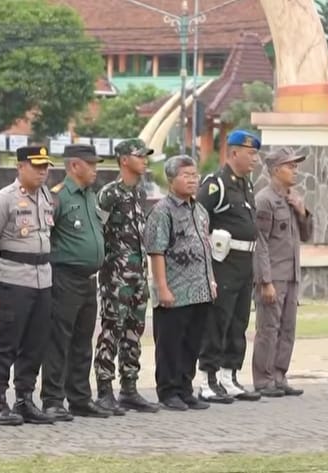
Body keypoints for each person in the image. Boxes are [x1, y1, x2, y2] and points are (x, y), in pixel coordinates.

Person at [0, 145, 56, 426]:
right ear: (20, 167)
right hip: (13, 280)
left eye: (45, 166)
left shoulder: (46, 196)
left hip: (43, 279)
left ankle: (24, 398)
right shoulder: (4, 199)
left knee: (35, 342)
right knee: (7, 343)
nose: (43, 171)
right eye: (37, 166)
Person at [40, 144, 109, 421]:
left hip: (89, 280)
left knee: (83, 341)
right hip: (65, 277)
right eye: (90, 164)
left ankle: (80, 397)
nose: (95, 169)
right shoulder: (58, 198)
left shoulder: (91, 196)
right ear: (74, 166)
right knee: (59, 340)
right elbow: (45, 236)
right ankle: (52, 399)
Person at [144, 155, 217, 411]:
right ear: (171, 179)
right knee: (170, 345)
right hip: (174, 291)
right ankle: (168, 392)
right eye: (186, 176)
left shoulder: (200, 210)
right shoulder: (162, 211)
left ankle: (185, 389)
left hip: (200, 290)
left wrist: (211, 281)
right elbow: (156, 251)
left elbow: (205, 247)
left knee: (192, 343)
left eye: (195, 175)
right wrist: (162, 287)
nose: (192, 180)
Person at [195, 130, 262, 403]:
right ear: (234, 153)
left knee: (238, 321)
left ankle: (228, 375)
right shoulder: (216, 184)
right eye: (251, 153)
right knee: (217, 321)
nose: (255, 159)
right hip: (223, 262)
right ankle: (207, 379)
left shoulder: (246, 185)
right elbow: (198, 219)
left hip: (245, 263)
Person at [94, 139, 159, 415]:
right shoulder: (109, 194)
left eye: (145, 156)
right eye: (139, 155)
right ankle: (104, 390)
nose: (144, 160)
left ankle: (129, 388)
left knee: (134, 330)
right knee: (112, 329)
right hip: (116, 276)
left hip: (138, 275)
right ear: (123, 160)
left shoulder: (139, 193)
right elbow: (98, 231)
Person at [252, 147, 313, 397]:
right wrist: (265, 281)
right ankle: (263, 380)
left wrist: (302, 211)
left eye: (296, 166)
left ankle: (279, 376)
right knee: (268, 329)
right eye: (290, 166)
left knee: (288, 328)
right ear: (276, 170)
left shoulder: (293, 198)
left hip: (291, 275)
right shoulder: (264, 200)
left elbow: (307, 236)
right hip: (273, 276)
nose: (295, 170)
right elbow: (260, 243)